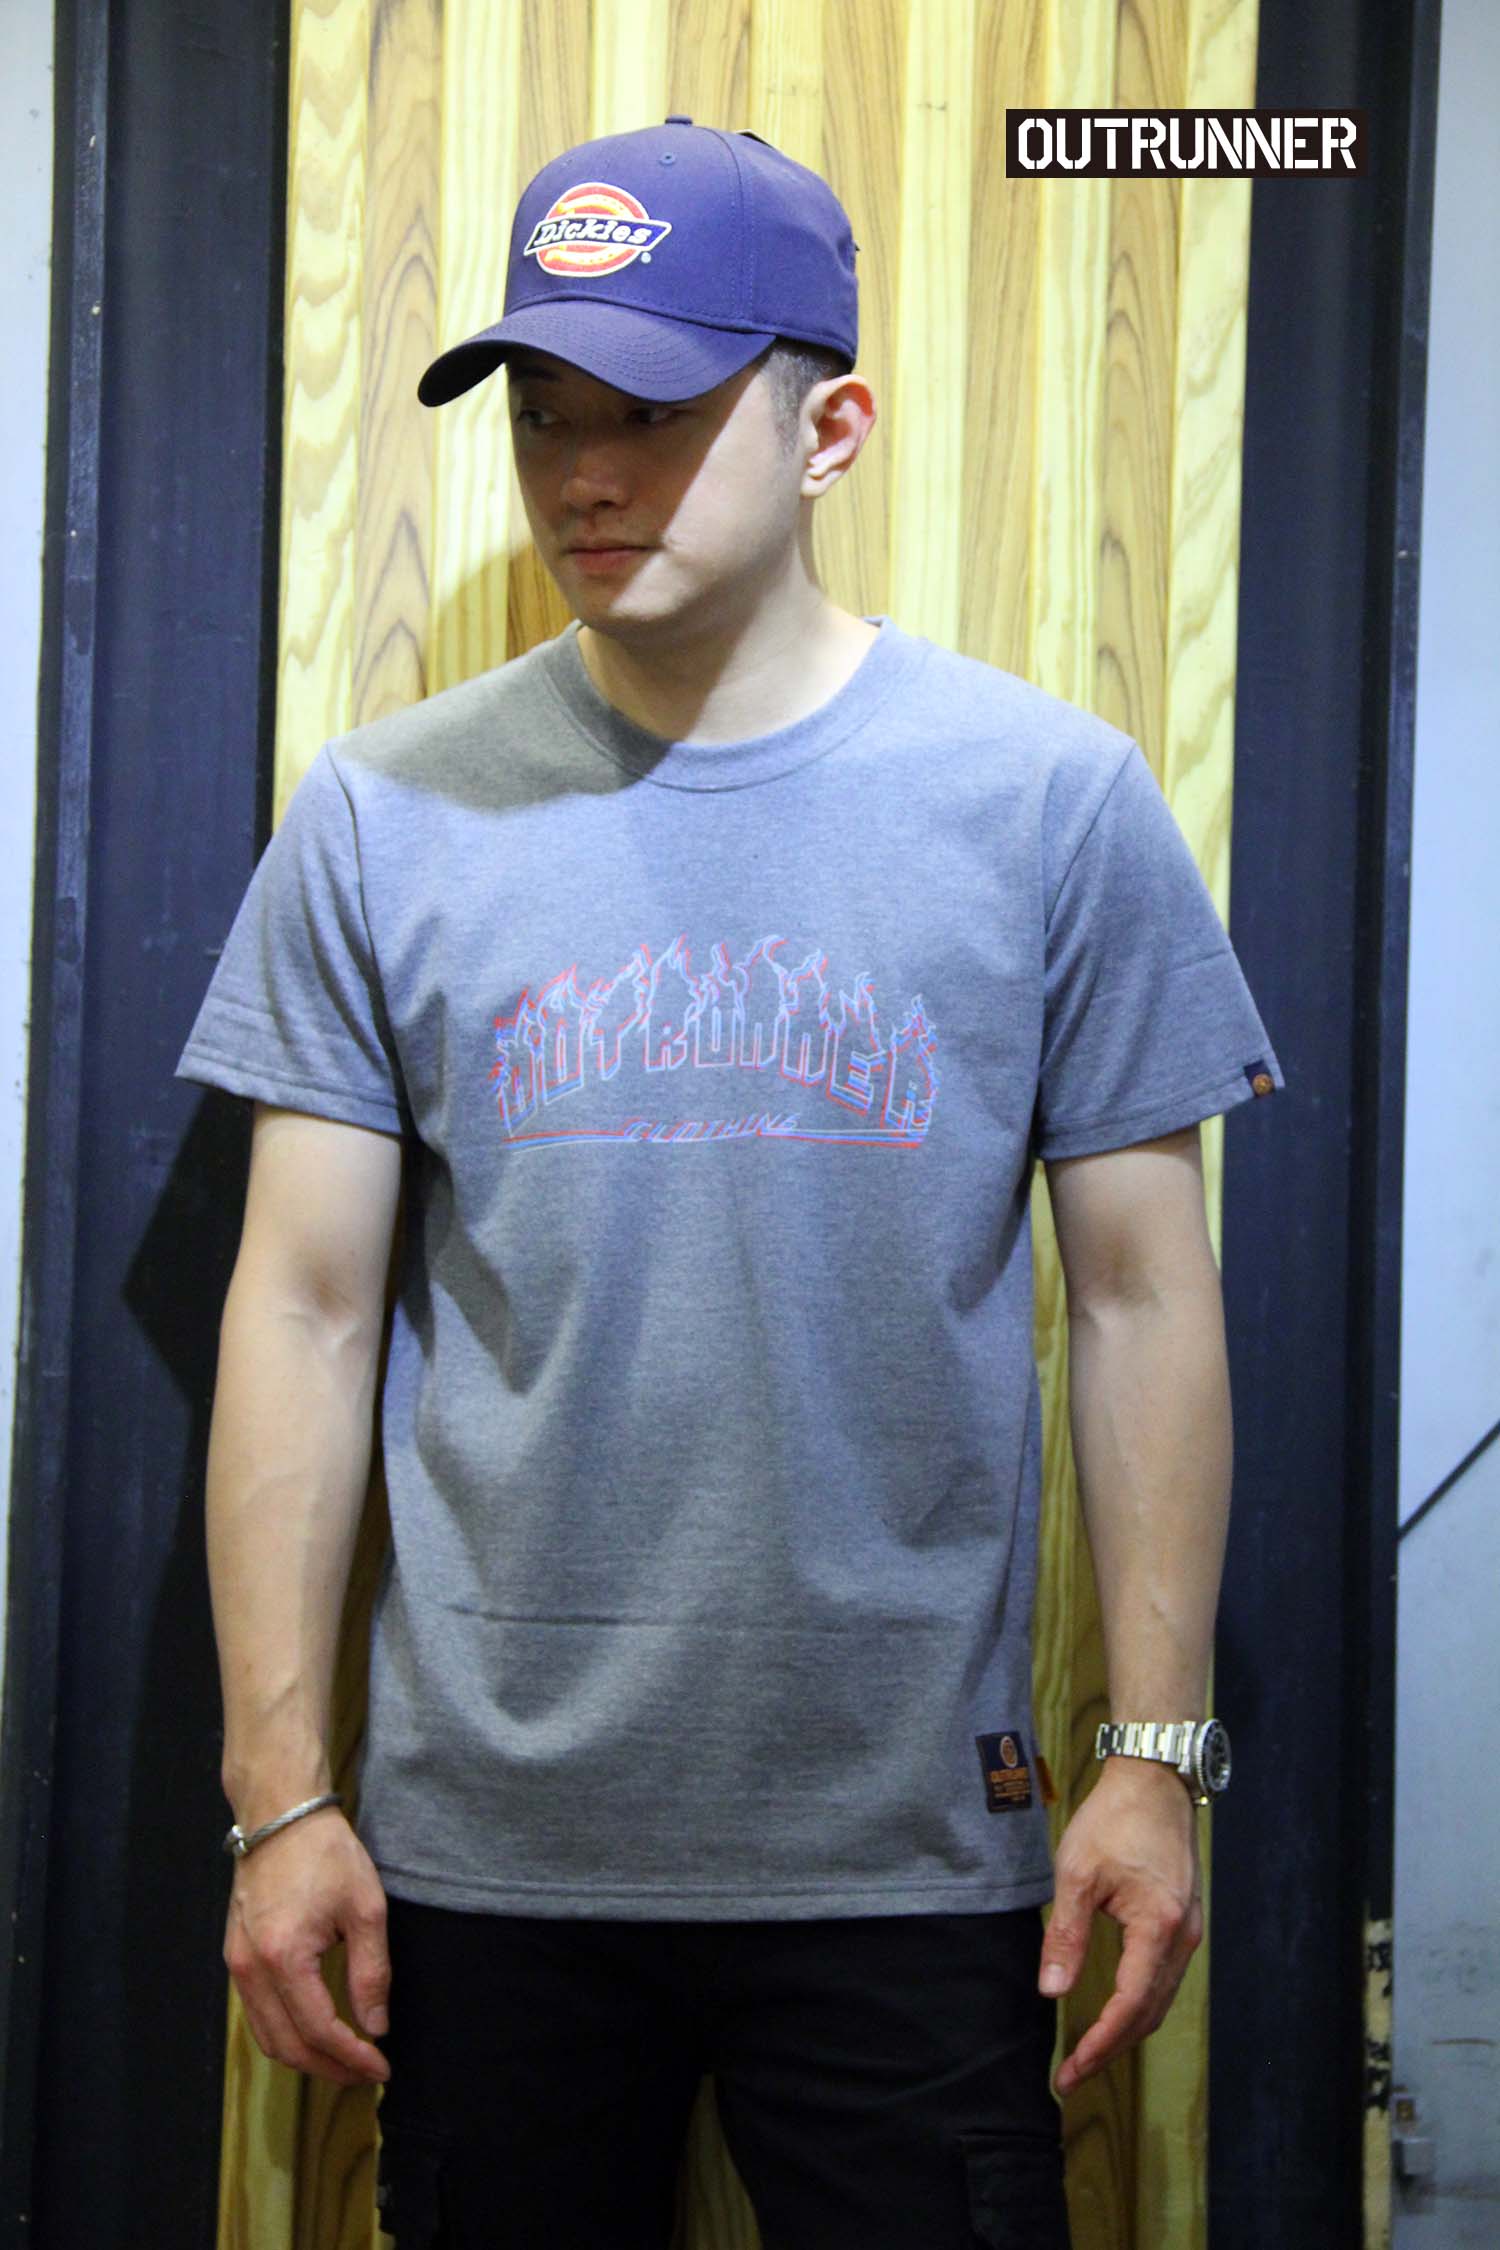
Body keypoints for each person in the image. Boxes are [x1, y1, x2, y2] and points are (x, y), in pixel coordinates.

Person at [176, 117, 1284, 2250]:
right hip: (483, 1858)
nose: (585, 474)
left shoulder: (1050, 803)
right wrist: (275, 1794)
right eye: (545, 414)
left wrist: (1154, 1754)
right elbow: (301, 1310)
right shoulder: (382, 816)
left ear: (829, 425)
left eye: (658, 410)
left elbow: (1149, 1297)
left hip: (913, 1854)